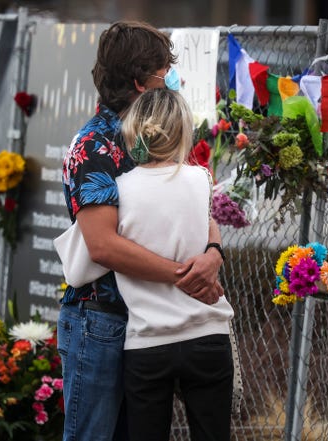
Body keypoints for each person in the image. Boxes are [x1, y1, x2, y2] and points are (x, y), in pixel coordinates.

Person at [58, 21, 225, 441]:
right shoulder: (93, 147)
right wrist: (184, 276)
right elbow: (103, 246)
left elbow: (198, 207)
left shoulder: (156, 134)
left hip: (149, 325)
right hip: (101, 322)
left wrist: (213, 255)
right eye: (164, 70)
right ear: (139, 82)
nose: (173, 77)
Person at [118, 89, 235, 441]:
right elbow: (205, 224)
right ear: (183, 130)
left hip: (147, 341)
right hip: (207, 335)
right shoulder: (201, 180)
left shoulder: (118, 190)